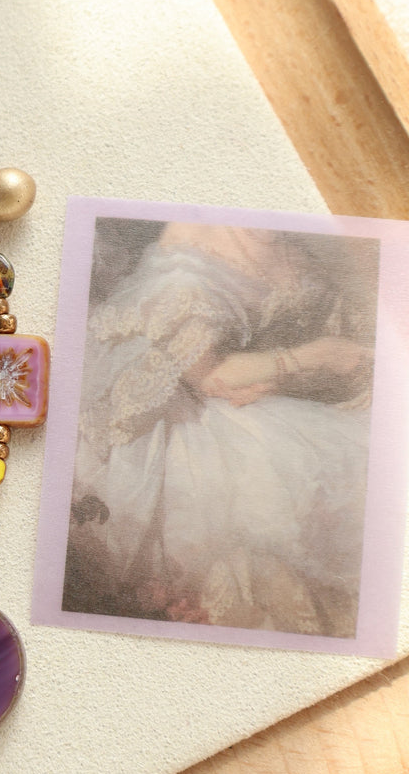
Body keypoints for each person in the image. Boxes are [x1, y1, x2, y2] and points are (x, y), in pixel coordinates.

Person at [65, 220, 376, 637]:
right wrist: (316, 357)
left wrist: (294, 374)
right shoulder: (188, 247)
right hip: (175, 418)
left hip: (261, 388)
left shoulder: (294, 236)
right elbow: (209, 376)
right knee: (314, 475)